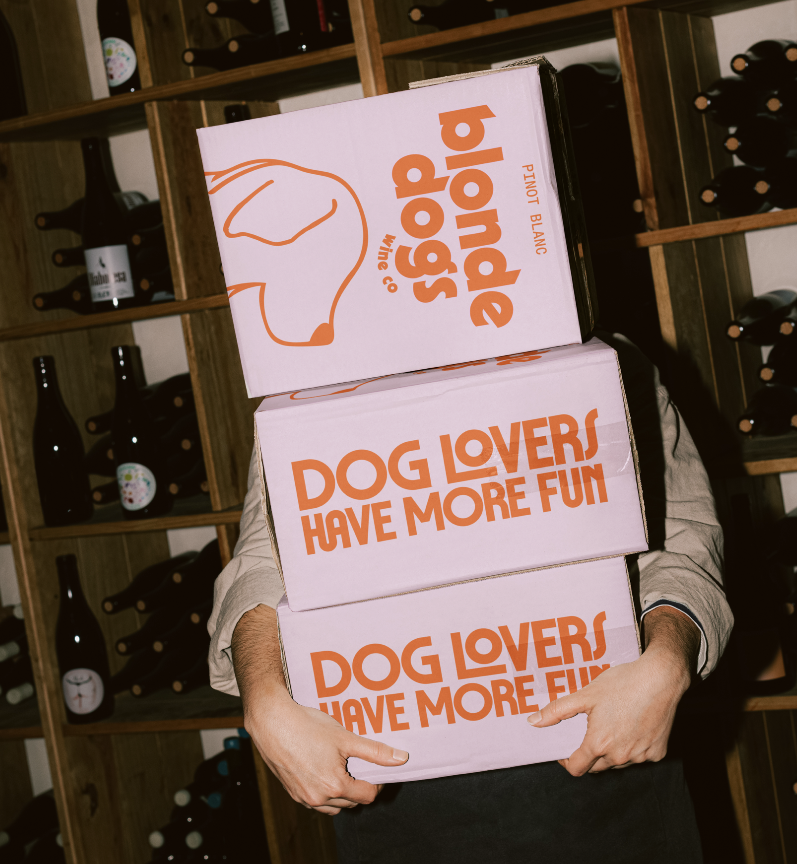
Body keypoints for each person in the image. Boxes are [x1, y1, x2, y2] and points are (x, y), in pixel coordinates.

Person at [207, 332, 733, 863]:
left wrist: (668, 655)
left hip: (603, 771)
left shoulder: (602, 359)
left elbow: (682, 539)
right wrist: (264, 698)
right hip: (394, 789)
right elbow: (262, 562)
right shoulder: (310, 394)